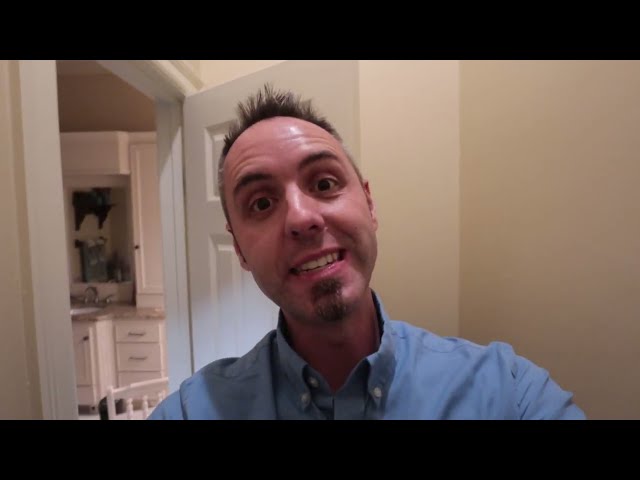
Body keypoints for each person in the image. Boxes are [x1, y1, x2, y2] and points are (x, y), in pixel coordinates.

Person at [149, 85, 586, 420]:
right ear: (240, 250)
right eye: (261, 204)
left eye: (324, 183)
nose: (302, 218)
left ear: (370, 204)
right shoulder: (190, 411)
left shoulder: (508, 391)